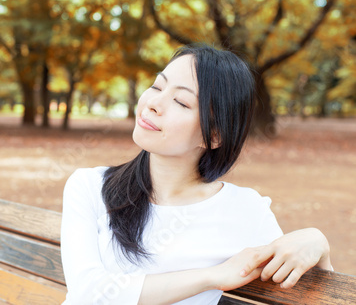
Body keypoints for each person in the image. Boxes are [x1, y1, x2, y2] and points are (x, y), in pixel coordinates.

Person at [60, 44, 332, 304]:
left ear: (213, 136)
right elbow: (87, 294)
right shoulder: (90, 186)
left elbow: (311, 292)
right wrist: (212, 277)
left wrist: (318, 242)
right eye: (157, 85)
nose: (154, 103)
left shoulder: (245, 211)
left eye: (181, 101)